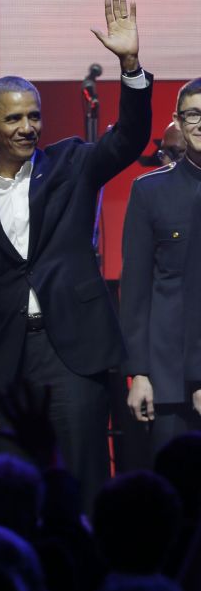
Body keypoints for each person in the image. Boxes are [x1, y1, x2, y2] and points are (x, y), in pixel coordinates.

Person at [0, 0, 152, 508]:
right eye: (14, 120)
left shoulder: (72, 163)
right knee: (16, 496)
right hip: (11, 361)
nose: (27, 128)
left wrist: (129, 66)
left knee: (82, 486)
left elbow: (129, 138)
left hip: (74, 354)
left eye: (33, 117)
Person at [120, 78, 201, 453]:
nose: (200, 123)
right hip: (168, 381)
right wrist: (140, 373)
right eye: (193, 114)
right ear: (178, 122)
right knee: (174, 498)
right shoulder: (149, 191)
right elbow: (135, 292)